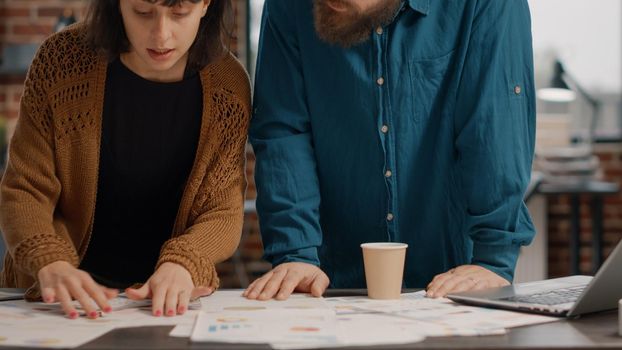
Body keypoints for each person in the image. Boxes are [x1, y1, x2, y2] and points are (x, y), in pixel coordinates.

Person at [245, 0, 536, 300]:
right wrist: (295, 252)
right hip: (326, 284)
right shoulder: (288, 6)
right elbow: (284, 131)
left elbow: (493, 125)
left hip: (454, 283)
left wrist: (493, 261)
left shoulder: (487, 4)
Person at [0, 0, 250, 319]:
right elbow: (24, 189)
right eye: (142, 12)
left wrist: (185, 261)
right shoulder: (61, 59)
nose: (161, 35)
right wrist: (50, 261)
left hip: (160, 305)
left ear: (204, 5)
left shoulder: (229, 86)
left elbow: (223, 210)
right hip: (56, 302)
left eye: (179, 13)